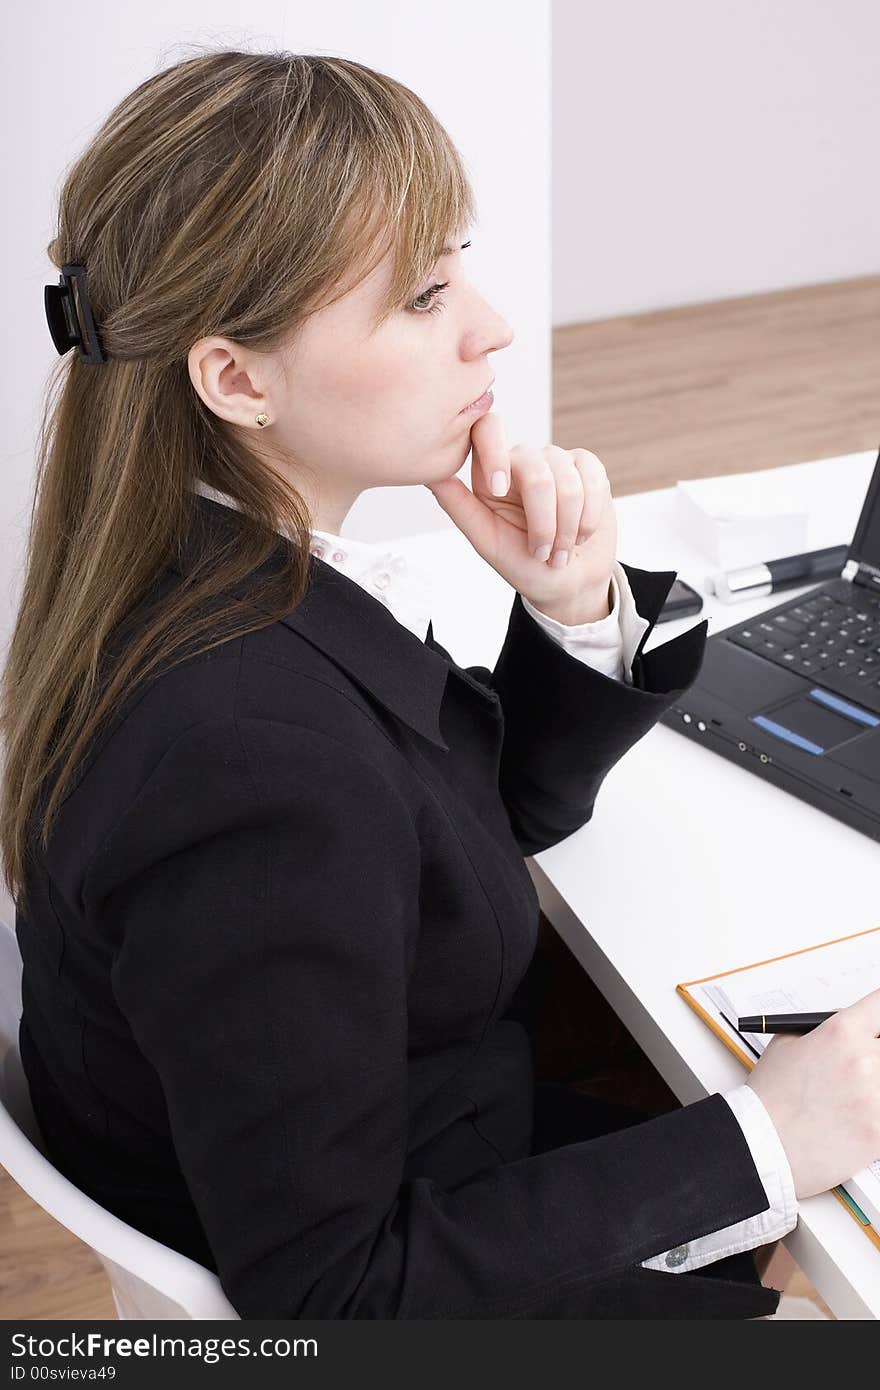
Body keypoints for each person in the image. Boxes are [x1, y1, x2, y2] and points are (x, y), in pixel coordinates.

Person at [3, 46, 879, 1322]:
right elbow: (334, 1296)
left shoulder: (206, 580)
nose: (492, 323)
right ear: (235, 378)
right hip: (433, 1244)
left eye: (455, 263)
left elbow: (440, 832)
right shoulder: (247, 755)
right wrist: (766, 1140)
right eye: (421, 295)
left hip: (431, 1134)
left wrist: (572, 609)